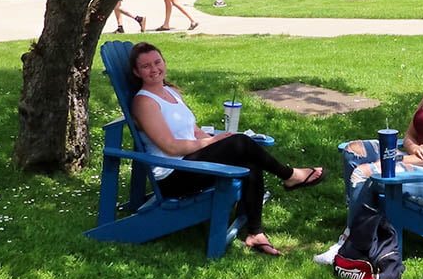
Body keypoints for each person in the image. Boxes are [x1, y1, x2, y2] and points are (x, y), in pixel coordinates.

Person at [130, 42, 324, 255]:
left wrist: (216, 140)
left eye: (157, 62)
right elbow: (170, 146)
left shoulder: (171, 92)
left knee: (248, 158)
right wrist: (213, 142)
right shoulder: (144, 102)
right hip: (173, 175)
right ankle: (290, 175)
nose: (154, 69)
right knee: (239, 143)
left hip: (189, 162)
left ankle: (255, 233)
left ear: (164, 62)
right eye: (146, 66)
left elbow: (194, 132)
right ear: (136, 72)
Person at [314, 42, 423, 264]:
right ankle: (363, 225)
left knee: (364, 172)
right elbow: (410, 135)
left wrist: (390, 160)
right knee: (352, 151)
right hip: (421, 162)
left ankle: (350, 244)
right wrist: (413, 148)